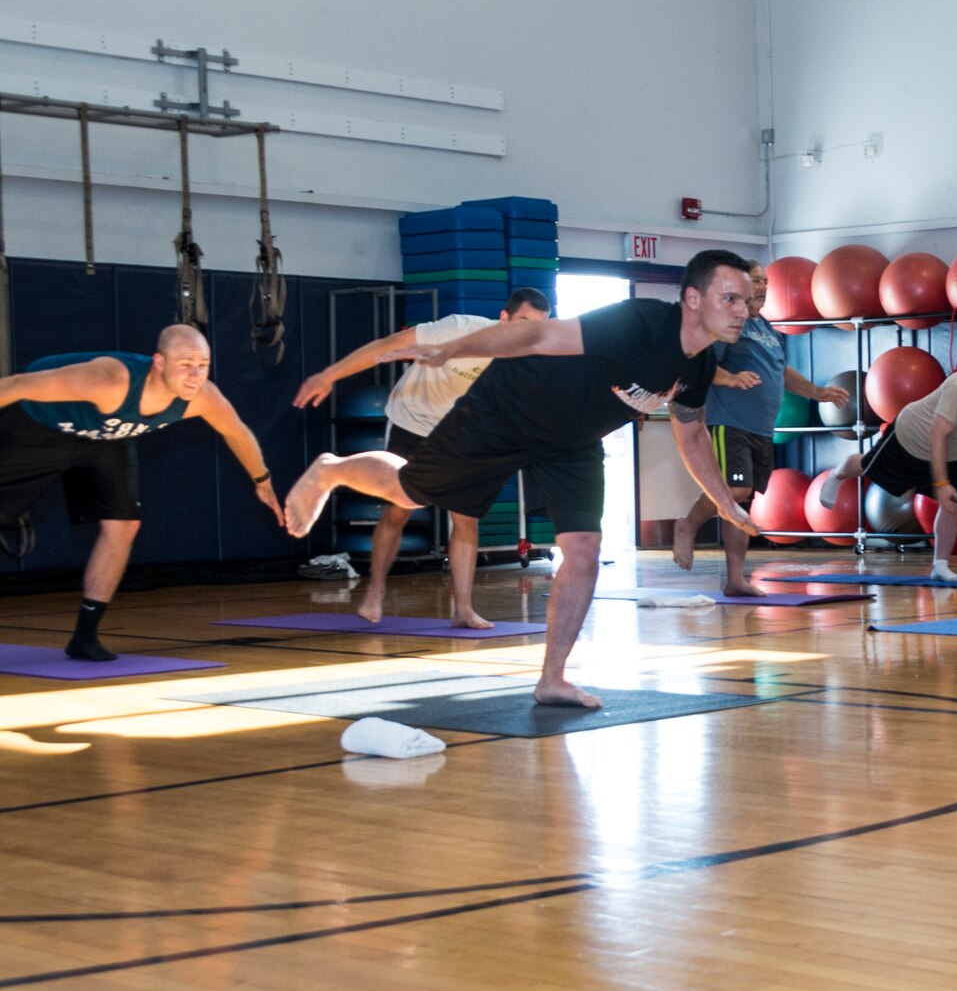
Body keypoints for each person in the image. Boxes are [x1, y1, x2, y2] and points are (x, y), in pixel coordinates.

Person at [282, 250, 760, 708]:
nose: (743, 310)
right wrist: (451, 349)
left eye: (745, 300)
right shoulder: (639, 323)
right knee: (409, 490)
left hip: (573, 443)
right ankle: (330, 469)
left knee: (584, 552)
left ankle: (552, 679)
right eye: (730, 299)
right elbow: (535, 339)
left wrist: (724, 503)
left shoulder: (697, 367)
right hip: (506, 412)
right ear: (693, 299)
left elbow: (692, 435)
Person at [0, 325, 284, 660]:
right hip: (39, 426)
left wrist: (262, 481)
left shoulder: (202, 397)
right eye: (185, 364)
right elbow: (15, 385)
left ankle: (85, 637)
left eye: (203, 365)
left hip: (107, 440)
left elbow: (237, 432)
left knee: (123, 525)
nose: (195, 375)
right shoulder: (109, 381)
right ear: (159, 363)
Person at [291, 287, 551, 626]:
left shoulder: (526, 359)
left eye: (536, 326)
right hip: (412, 419)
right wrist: (329, 375)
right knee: (399, 509)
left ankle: (463, 609)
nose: (526, 332)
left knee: (466, 519)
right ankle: (375, 592)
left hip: (460, 432)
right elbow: (387, 346)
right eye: (523, 322)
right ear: (504, 318)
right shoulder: (460, 328)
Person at [672, 261, 845, 596]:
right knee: (734, 492)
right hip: (729, 421)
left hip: (761, 428)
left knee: (744, 503)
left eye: (766, 281)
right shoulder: (728, 324)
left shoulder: (765, 327)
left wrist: (817, 393)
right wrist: (731, 379)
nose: (763, 286)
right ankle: (688, 525)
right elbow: (702, 364)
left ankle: (736, 580)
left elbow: (781, 371)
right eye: (756, 280)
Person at [818, 346, 957, 582]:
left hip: (951, 452)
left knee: (951, 504)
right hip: (911, 437)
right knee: (866, 467)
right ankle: (837, 475)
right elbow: (937, 433)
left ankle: (940, 566)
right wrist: (941, 482)